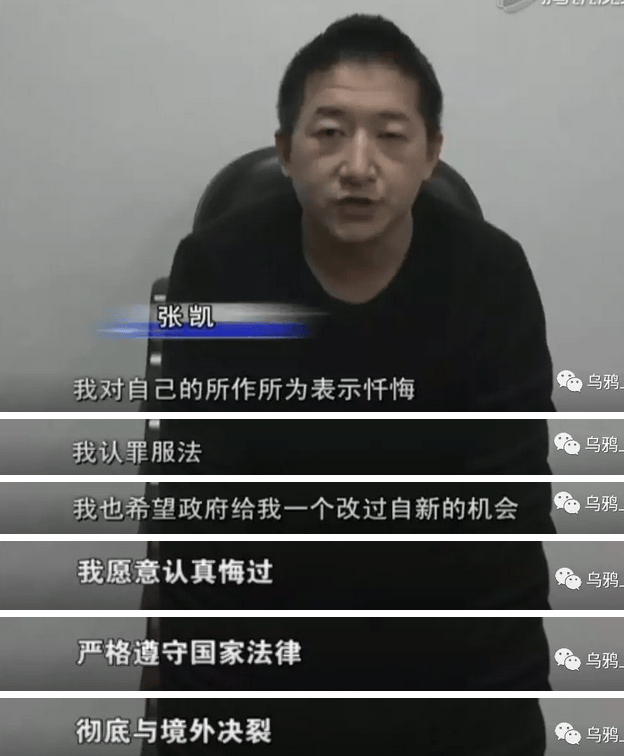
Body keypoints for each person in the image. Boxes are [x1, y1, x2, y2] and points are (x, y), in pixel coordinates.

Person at [151, 14, 555, 756]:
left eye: (391, 136)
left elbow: (506, 516)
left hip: (442, 653)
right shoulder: (216, 268)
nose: (359, 166)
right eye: (330, 133)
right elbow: (199, 501)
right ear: (286, 151)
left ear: (431, 153)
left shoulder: (491, 275)